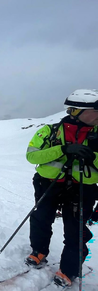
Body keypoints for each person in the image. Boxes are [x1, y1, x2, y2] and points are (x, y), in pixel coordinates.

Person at [25, 89, 98, 288]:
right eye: (96, 110)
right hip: (48, 184)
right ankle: (38, 251)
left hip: (82, 189)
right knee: (41, 218)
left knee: (76, 231)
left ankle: (68, 270)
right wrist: (63, 149)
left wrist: (94, 155)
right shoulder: (49, 131)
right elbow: (32, 156)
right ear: (77, 111)